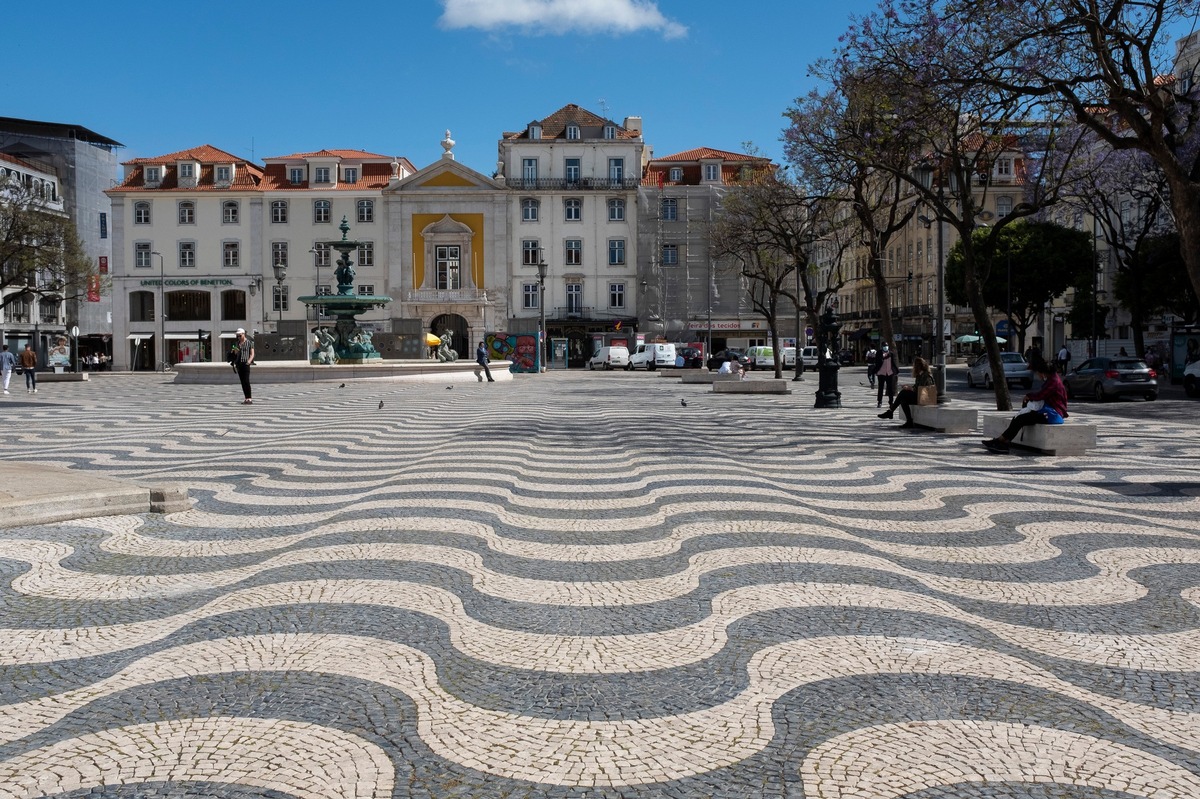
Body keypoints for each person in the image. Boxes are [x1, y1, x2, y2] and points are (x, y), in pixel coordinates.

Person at [982, 357, 1067, 453]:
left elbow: (1041, 395)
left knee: (1021, 419)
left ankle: (1002, 442)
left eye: (1038, 373)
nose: (1038, 375)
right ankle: (1002, 441)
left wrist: (1028, 396)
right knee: (1018, 417)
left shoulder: (1054, 382)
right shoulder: (1052, 379)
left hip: (1053, 414)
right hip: (1048, 411)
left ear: (1042, 372)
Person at [878, 356, 934, 428]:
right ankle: (909, 421)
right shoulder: (919, 375)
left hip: (925, 398)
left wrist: (910, 389)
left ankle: (890, 411)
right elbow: (917, 387)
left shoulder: (926, 375)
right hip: (920, 396)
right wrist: (909, 388)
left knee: (903, 393)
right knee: (903, 400)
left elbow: (923, 389)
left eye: (914, 365)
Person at [229, 328, 255, 404]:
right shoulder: (237, 343)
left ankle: (249, 398)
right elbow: (234, 353)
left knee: (246, 381)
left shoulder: (250, 342)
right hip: (239, 363)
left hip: (246, 363)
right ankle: (246, 398)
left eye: (240, 335)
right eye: (237, 336)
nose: (239, 337)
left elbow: (252, 353)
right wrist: (235, 351)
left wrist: (249, 361)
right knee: (242, 382)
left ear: (243, 334)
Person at [873, 343, 898, 408]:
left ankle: (891, 402)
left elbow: (893, 362)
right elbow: (877, 362)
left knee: (890, 388)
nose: (885, 347)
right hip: (881, 373)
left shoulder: (891, 353)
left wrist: (896, 370)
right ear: (882, 347)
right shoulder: (879, 353)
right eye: (884, 346)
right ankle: (879, 401)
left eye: (886, 346)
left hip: (889, 373)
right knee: (880, 388)